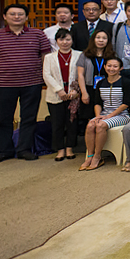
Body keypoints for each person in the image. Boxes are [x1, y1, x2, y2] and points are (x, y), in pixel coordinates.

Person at [0, 4, 53, 164]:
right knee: (4, 118)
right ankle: (4, 150)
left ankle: (24, 149)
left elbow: (45, 57)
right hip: (3, 84)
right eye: (12, 14)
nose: (16, 17)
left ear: (26, 17)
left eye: (20, 14)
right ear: (5, 17)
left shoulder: (38, 34)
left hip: (32, 82)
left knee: (29, 117)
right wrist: (4, 69)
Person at [82, 56, 130, 171]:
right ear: (104, 67)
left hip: (122, 115)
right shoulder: (101, 83)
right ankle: (90, 156)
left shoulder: (125, 82)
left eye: (115, 66)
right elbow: (97, 102)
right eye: (109, 66)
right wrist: (98, 116)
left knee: (100, 125)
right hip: (104, 114)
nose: (111, 69)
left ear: (121, 68)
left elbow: (126, 103)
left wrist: (109, 116)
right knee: (90, 125)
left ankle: (97, 156)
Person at [43, 29, 80, 161]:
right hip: (55, 95)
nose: (65, 42)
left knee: (72, 123)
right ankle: (60, 149)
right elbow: (46, 75)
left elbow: (82, 74)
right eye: (61, 39)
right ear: (56, 41)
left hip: (73, 95)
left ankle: (70, 148)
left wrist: (76, 90)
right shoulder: (49, 57)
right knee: (57, 124)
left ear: (72, 40)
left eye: (68, 39)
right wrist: (59, 90)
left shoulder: (79, 55)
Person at [76, 30, 116, 123]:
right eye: (98, 38)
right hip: (89, 89)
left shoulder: (112, 55)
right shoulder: (85, 55)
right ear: (93, 39)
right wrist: (84, 93)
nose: (101, 40)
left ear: (108, 41)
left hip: (106, 90)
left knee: (104, 118)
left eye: (104, 38)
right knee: (90, 119)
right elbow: (80, 75)